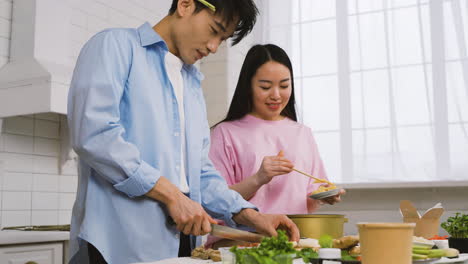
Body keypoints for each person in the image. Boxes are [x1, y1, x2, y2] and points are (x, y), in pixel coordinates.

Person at [67, 1, 300, 263]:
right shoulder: (115, 46)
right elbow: (96, 135)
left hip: (182, 244)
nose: (213, 47)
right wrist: (172, 195)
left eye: (222, 39)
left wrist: (250, 215)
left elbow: (200, 172)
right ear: (186, 4)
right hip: (117, 245)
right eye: (214, 30)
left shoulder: (191, 83)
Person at [207, 44, 346, 248]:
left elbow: (310, 193)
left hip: (295, 242)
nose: (276, 95)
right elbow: (216, 201)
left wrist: (325, 195)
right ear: (248, 86)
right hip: (242, 244)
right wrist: (258, 178)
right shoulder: (226, 133)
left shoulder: (302, 133)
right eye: (265, 87)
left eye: (284, 85)